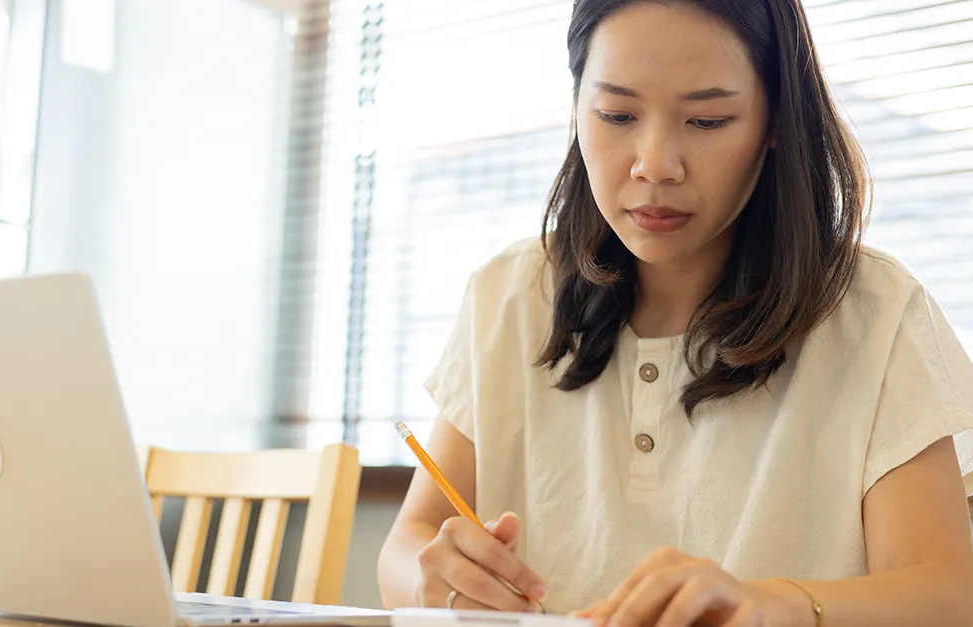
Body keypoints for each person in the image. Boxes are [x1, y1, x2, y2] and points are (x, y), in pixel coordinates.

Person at [375, 1, 973, 626]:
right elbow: (410, 543)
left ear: (775, 119)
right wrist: (434, 578)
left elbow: (947, 597)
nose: (654, 164)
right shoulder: (509, 294)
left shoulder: (875, 314)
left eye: (708, 120)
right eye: (616, 114)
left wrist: (772, 605)